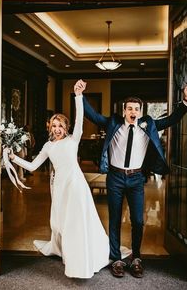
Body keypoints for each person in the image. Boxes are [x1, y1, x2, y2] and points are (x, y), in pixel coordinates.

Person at [74, 79, 187, 279]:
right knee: (114, 219)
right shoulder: (113, 122)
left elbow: (172, 119)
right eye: (129, 108)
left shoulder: (148, 125)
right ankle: (116, 260)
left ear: (140, 111)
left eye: (136, 109)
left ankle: (136, 258)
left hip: (136, 178)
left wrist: (186, 101)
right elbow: (93, 116)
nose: (133, 111)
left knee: (138, 221)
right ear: (124, 111)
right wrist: (79, 95)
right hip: (115, 177)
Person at [8, 88, 110, 279]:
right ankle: (67, 252)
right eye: (54, 125)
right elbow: (32, 167)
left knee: (76, 223)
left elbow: (80, 119)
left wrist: (78, 96)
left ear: (66, 127)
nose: (57, 129)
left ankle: (78, 262)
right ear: (50, 127)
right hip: (60, 189)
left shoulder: (73, 140)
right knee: (61, 223)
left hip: (76, 187)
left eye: (60, 125)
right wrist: (14, 158)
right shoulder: (48, 147)